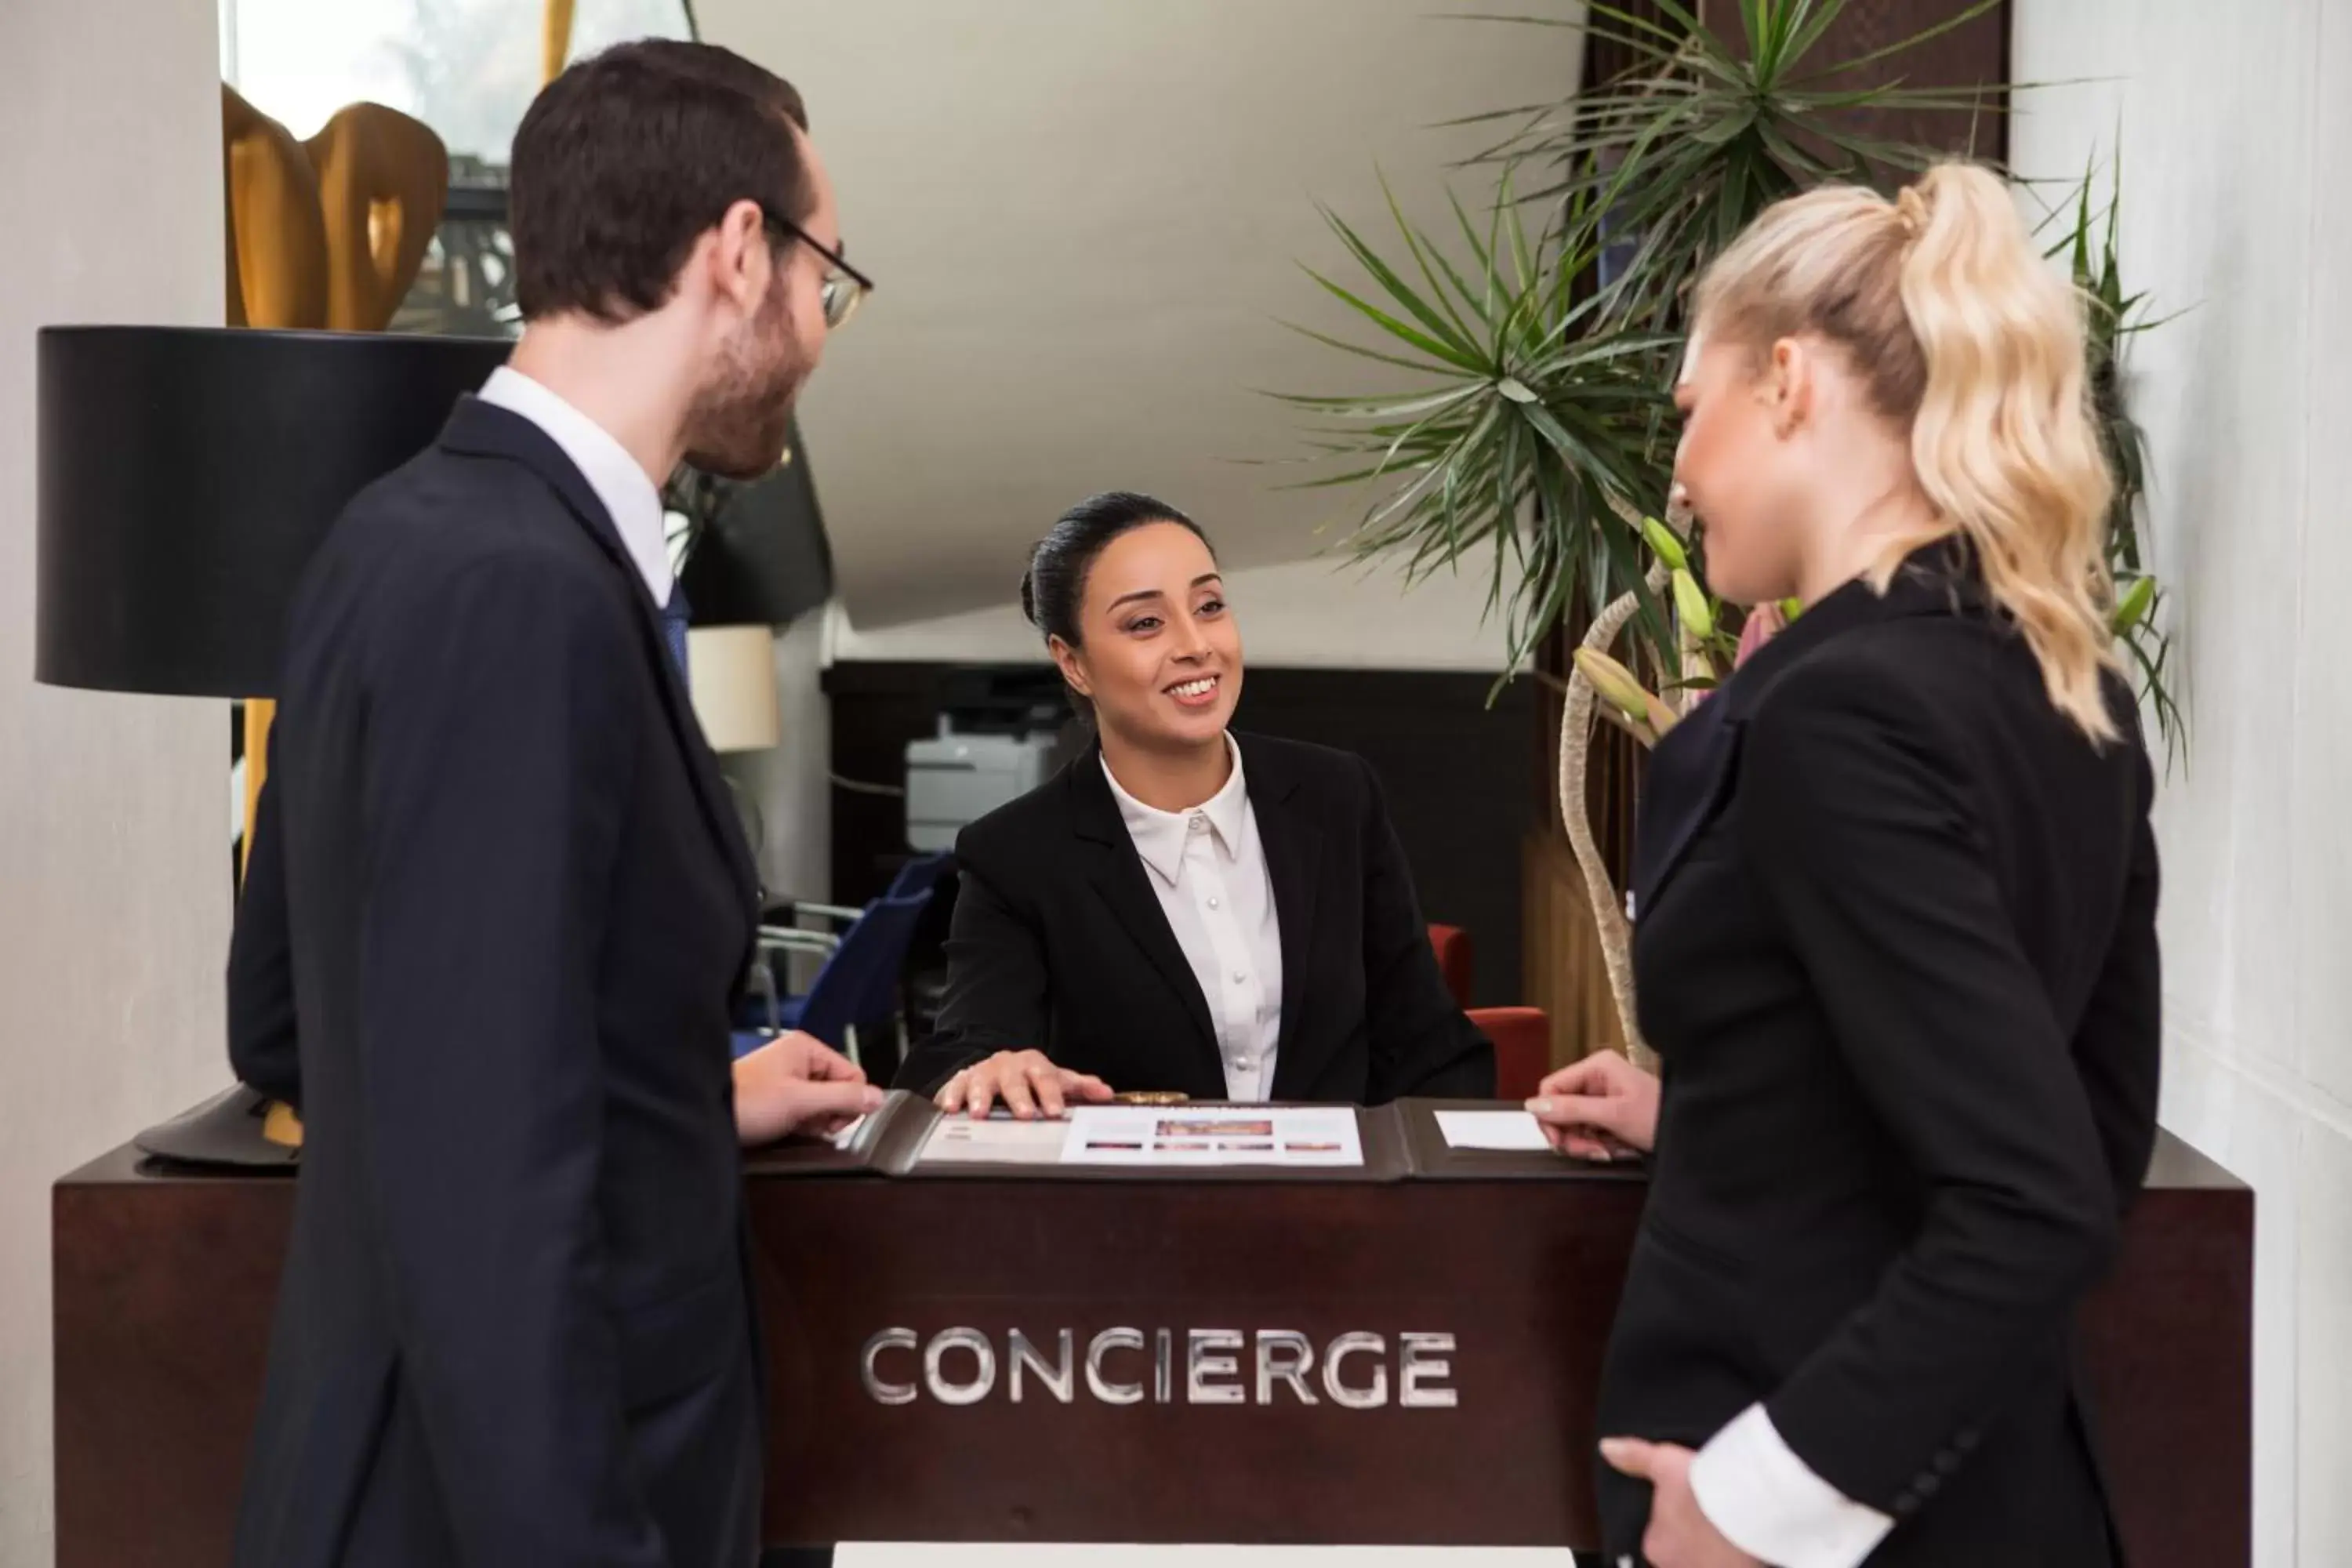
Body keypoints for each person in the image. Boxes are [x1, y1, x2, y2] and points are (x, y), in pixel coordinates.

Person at [225, 41, 877, 1567]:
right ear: (736, 254)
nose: (820, 336)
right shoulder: (525, 594)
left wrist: (676, 1094)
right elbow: (486, 1206)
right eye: (823, 279)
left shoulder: (391, 533)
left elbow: (293, 1026)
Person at [1527, 162, 2161, 1568]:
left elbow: (2031, 1193)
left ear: (1790, 383)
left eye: (1690, 415)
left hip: (1808, 1509)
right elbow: (2084, 1139)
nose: (1678, 476)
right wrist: (1726, 1114)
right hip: (2006, 1492)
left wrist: (1756, 1504)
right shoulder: (2073, 689)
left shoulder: (1833, 709)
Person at [894, 492, 1494, 1116]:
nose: (1195, 645)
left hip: (1333, 1198)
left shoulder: (1337, 795)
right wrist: (992, 1066)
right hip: (1131, 1205)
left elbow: (1427, 1043)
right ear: (1072, 663)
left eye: (1209, 607)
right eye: (1145, 623)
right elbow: (963, 1048)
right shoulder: (1016, 854)